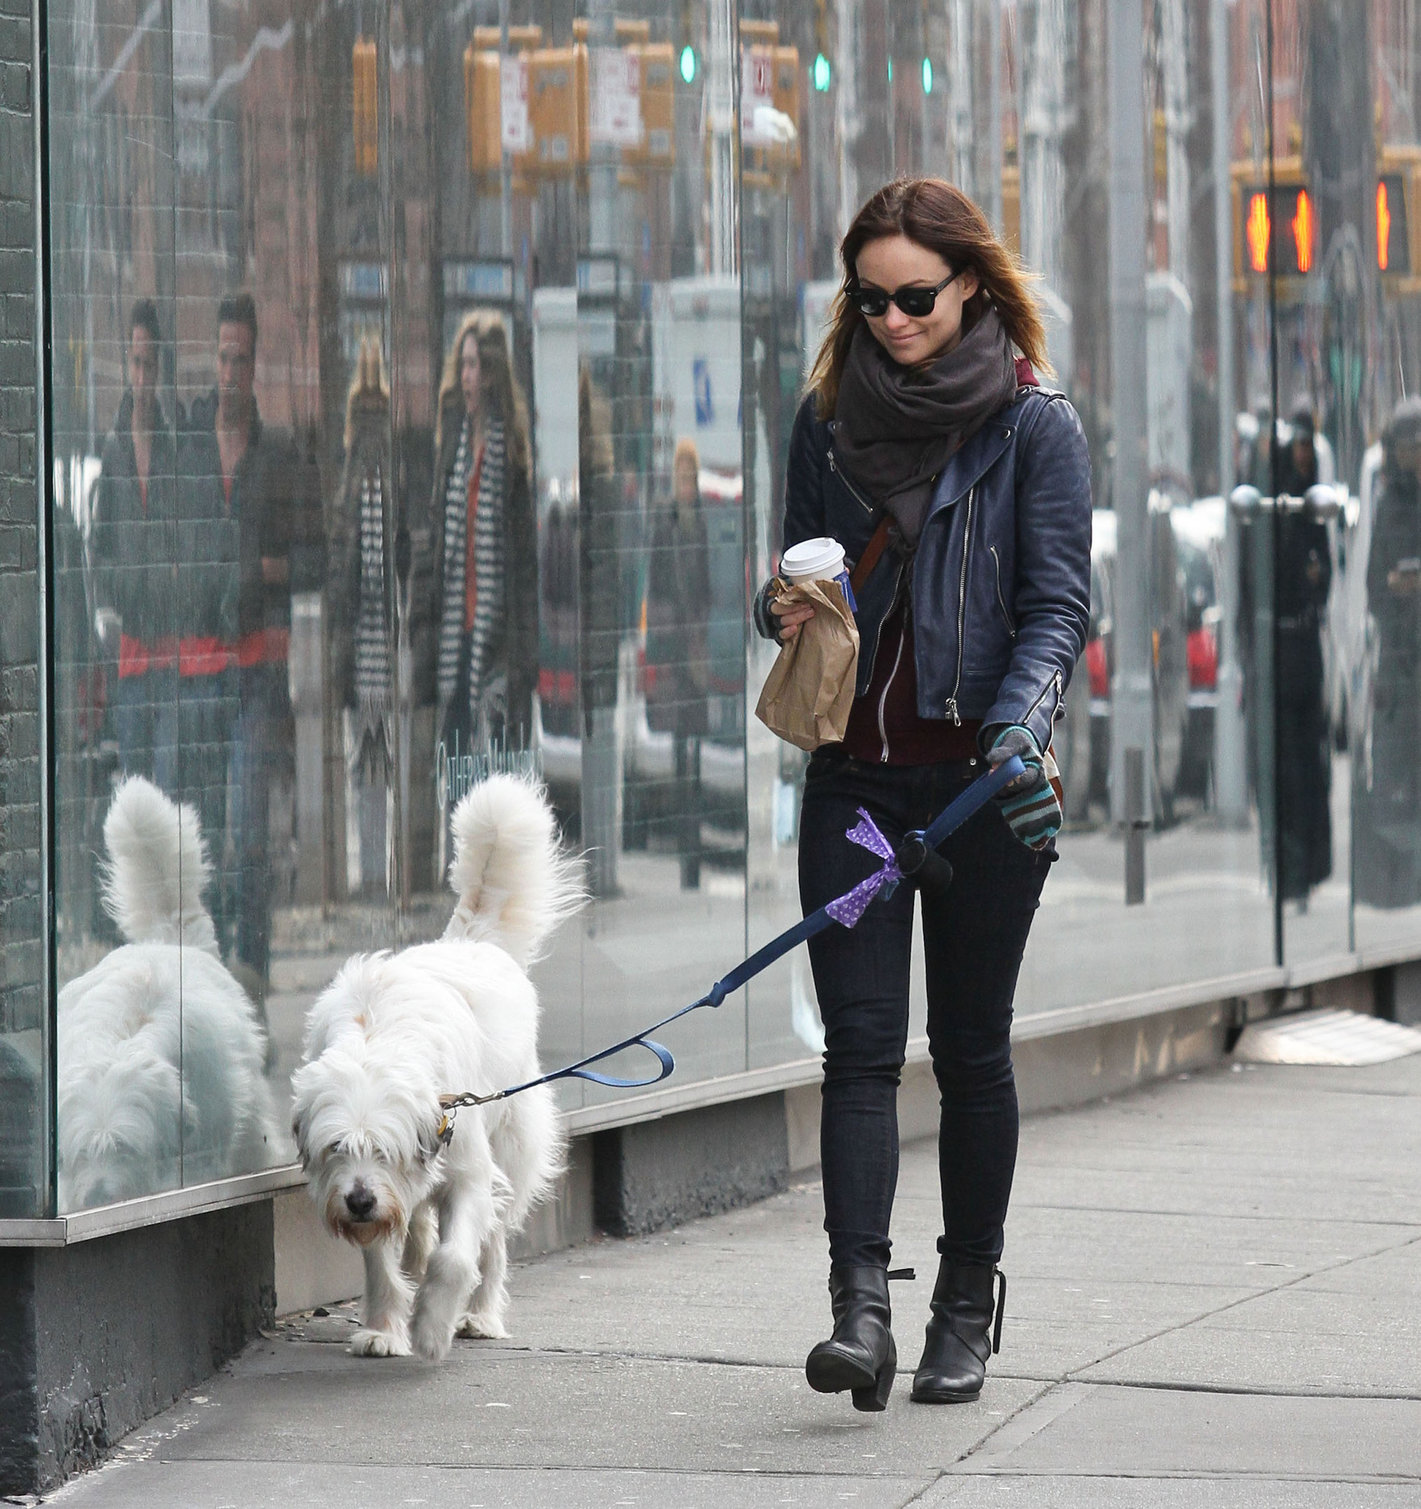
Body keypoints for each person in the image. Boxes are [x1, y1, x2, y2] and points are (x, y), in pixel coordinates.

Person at [753, 178, 1091, 1410]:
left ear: (969, 288)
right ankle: (858, 1312)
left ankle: (963, 1302)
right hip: (855, 783)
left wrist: (1019, 726)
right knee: (855, 1050)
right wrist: (778, 606)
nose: (891, 318)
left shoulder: (1031, 426)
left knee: (968, 1051)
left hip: (980, 794)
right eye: (869, 297)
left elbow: (1056, 606)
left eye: (915, 296)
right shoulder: (824, 419)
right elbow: (787, 580)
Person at [184, 292, 319, 997]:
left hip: (259, 666)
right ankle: (212, 974)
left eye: (242, 358)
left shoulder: (280, 453)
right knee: (203, 830)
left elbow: (313, 560)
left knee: (250, 830)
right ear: (214, 358)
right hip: (200, 665)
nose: (231, 371)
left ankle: (253, 970)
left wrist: (259, 567)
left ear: (255, 363)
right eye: (223, 357)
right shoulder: (192, 447)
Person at [417, 310, 536, 779]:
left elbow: (524, 569)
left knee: (493, 777)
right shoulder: (452, 446)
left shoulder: (512, 457)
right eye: (463, 365)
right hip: (453, 638)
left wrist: (524, 659)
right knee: (455, 774)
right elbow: (438, 550)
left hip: (496, 641)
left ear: (493, 375)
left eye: (477, 367)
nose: (467, 377)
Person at [91, 299, 182, 786]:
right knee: (136, 795)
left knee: (166, 789)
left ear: (161, 368)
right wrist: (113, 602)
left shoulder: (172, 445)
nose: (141, 377)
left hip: (169, 653)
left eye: (149, 364)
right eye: (134, 363)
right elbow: (101, 541)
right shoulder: (113, 450)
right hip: (130, 653)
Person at [329, 336, 394, 897]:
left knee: (366, 757)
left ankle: (372, 870)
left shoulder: (355, 479)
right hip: (380, 645)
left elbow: (356, 566)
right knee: (379, 759)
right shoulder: (383, 479)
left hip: (366, 642)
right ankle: (376, 867)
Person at [1356, 397, 1421, 907]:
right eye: (1403, 449)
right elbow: (1375, 583)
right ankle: (1398, 882)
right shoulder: (1387, 505)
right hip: (1400, 660)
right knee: (1396, 771)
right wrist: (1397, 588)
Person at [1271, 404, 1333, 903]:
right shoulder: (1280, 505)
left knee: (1308, 769)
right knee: (1286, 771)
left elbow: (1324, 573)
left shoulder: (1311, 507)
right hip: (1282, 652)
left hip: (1304, 652)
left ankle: (1308, 870)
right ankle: (1290, 873)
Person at [646, 437, 712, 888]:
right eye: (680, 475)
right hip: (675, 649)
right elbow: (657, 583)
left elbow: (708, 583)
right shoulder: (664, 521)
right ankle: (683, 854)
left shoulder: (702, 520)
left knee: (695, 747)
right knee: (679, 751)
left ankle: (693, 856)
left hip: (697, 651)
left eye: (690, 475)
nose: (684, 482)